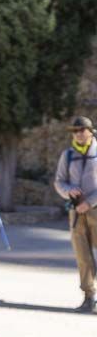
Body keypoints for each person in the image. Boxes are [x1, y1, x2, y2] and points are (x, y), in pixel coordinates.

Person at [54, 116, 97, 313]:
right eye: (75, 130)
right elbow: (59, 181)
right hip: (77, 213)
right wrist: (68, 191)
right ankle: (89, 296)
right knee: (83, 256)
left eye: (82, 130)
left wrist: (90, 201)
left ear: (90, 131)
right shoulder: (68, 155)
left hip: (94, 209)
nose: (78, 133)